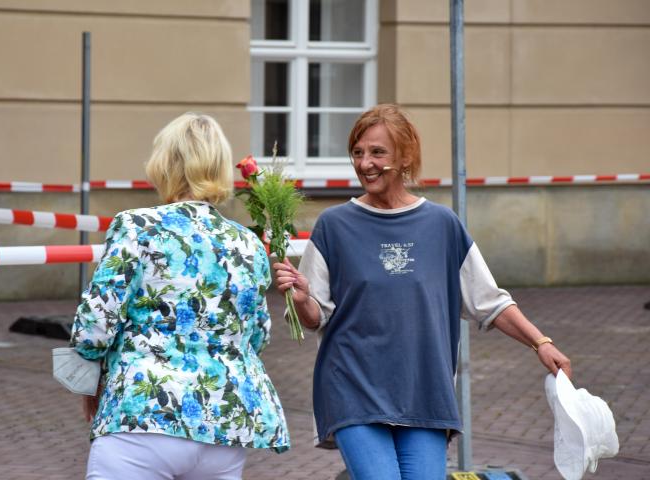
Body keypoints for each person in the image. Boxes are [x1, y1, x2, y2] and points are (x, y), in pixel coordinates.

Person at [273, 104, 571, 480]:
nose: (365, 163)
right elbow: (315, 317)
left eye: (377, 153)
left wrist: (540, 342)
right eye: (358, 152)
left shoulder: (442, 225)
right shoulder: (334, 225)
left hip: (425, 391)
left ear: (405, 157)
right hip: (353, 387)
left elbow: (489, 302)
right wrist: (301, 299)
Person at [70, 112, 290, 480]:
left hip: (142, 415)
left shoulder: (136, 226)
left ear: (164, 165)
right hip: (224, 423)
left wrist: (85, 382)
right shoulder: (247, 242)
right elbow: (257, 336)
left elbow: (94, 325)